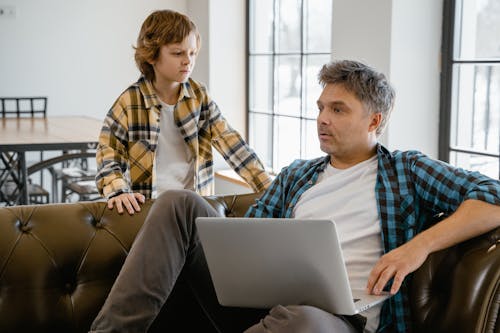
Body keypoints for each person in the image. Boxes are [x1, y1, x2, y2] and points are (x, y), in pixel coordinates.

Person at [89, 60, 500, 333]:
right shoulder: (298, 175)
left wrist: (415, 249)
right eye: (321, 108)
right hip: (264, 308)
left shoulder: (406, 171)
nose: (322, 119)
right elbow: (246, 241)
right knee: (180, 203)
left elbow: (493, 198)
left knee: (301, 320)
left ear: (374, 120)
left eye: (338, 110)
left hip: (339, 322)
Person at [95, 9, 271, 215]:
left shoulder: (200, 97)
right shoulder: (129, 102)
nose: (188, 61)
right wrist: (118, 191)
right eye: (178, 53)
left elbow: (232, 144)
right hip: (149, 210)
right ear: (151, 55)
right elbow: (108, 155)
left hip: (195, 207)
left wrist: (270, 188)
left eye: (192, 53)